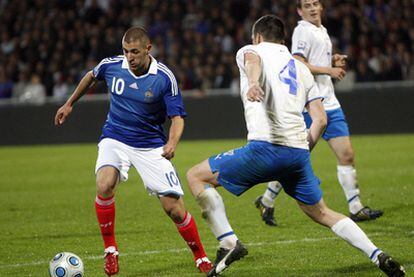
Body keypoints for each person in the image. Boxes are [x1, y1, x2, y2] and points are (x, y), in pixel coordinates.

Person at [186, 15, 405, 277]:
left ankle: (228, 242)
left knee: (196, 176)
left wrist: (254, 82)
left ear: (257, 37)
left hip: (264, 149)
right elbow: (321, 119)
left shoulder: (251, 50)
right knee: (323, 212)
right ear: (283, 39)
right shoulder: (301, 69)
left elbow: (253, 61)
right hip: (297, 153)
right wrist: (302, 149)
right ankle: (377, 255)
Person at [54, 26, 212, 276]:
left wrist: (171, 143)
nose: (129, 57)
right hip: (114, 137)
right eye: (126, 51)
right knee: (104, 184)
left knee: (174, 208)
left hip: (150, 145)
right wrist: (69, 103)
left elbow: (177, 117)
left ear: (148, 49)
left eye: (135, 52)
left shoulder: (163, 77)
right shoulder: (112, 65)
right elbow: (90, 76)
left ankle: (200, 256)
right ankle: (111, 251)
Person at [255, 0, 383, 227]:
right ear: (299, 11)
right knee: (294, 159)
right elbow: (298, 62)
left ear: (321, 7)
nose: (312, 8)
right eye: (307, 5)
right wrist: (329, 69)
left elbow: (313, 61)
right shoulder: (303, 31)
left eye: (315, 3)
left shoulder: (320, 30)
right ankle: (266, 199)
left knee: (347, 155)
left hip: (330, 103)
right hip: (310, 104)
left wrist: (331, 60)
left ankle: (355, 207)